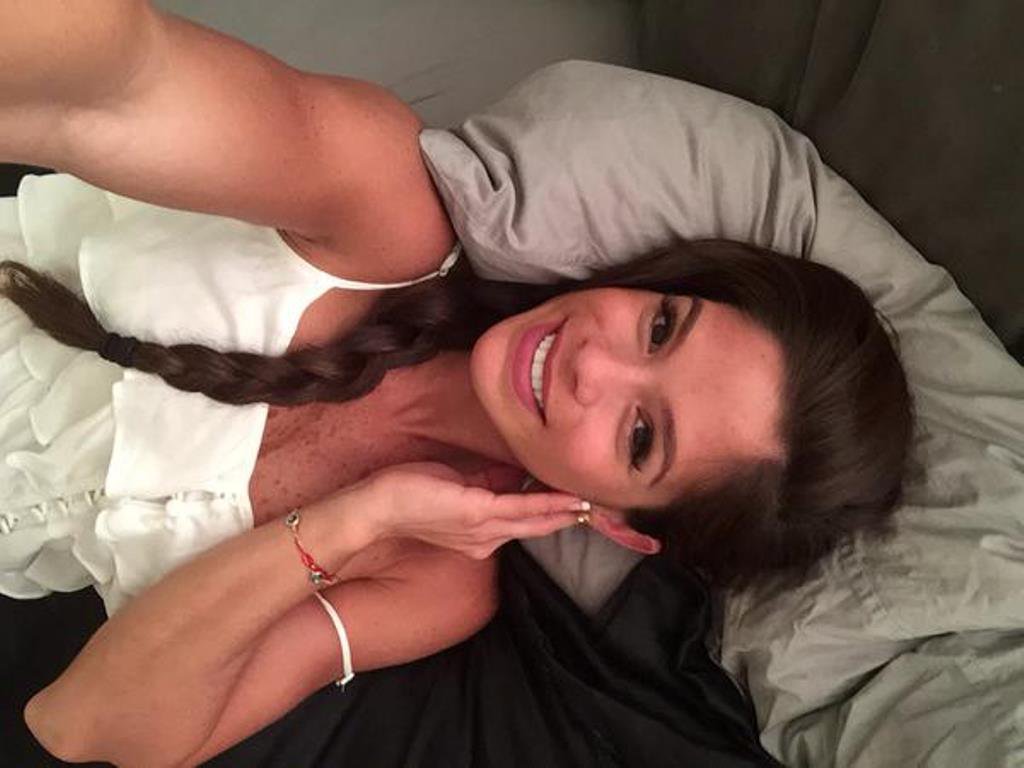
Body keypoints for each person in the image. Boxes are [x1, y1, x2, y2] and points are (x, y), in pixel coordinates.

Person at [0, 3, 912, 766]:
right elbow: (118, 81)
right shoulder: (382, 205)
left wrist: (355, 521)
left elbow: (88, 724)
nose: (593, 363)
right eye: (661, 326)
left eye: (642, 436)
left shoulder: (438, 585)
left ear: (623, 525)